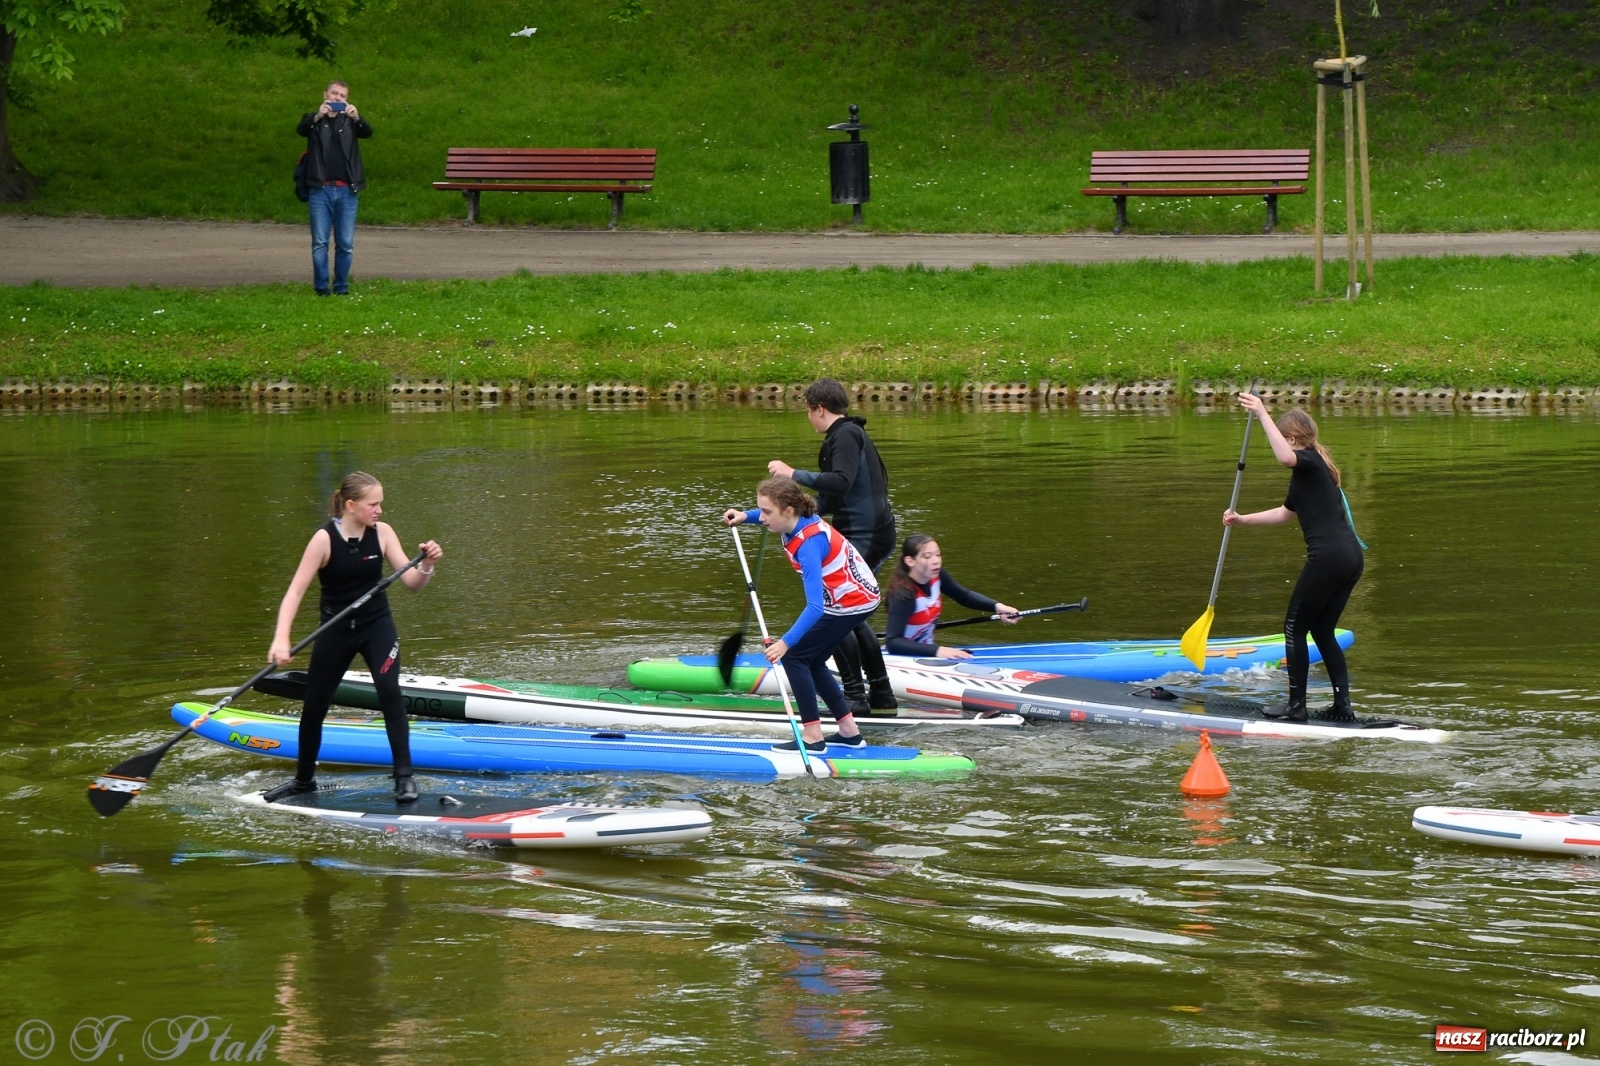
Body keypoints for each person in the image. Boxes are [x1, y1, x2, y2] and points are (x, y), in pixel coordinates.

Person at [264, 472, 442, 802]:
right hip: (335, 632)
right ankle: (304, 782)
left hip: (377, 627)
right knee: (314, 705)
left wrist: (428, 564)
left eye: (380, 504)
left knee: (390, 695)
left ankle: (404, 778)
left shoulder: (383, 534)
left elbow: (413, 584)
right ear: (350, 505)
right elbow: (295, 593)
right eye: (373, 504)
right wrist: (281, 639)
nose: (379, 510)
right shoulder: (323, 540)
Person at [1223, 395, 1364, 722]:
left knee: (1294, 628)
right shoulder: (1313, 470)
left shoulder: (1308, 461)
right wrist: (1242, 519)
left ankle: (1296, 707)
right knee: (1323, 631)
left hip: (1329, 558)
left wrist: (1261, 412)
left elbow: (1286, 457)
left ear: (1291, 438)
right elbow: (1285, 513)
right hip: (1349, 558)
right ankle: (1342, 707)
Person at [767, 378, 897, 715]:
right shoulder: (842, 437)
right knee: (853, 616)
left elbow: (842, 480)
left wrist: (793, 473)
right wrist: (785, 514)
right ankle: (881, 696)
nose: (808, 418)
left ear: (819, 409)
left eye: (807, 411)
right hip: (866, 531)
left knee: (838, 610)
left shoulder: (846, 435)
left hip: (867, 533)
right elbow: (830, 498)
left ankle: (855, 697)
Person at [722, 476, 877, 752]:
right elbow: (765, 515)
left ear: (789, 511)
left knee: (795, 657)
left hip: (849, 602)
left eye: (767, 512)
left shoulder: (808, 545)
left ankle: (813, 737)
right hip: (850, 598)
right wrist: (745, 516)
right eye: (762, 510)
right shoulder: (793, 519)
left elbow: (815, 607)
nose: (763, 518)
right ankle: (850, 733)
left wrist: (785, 643)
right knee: (813, 660)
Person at [883, 534, 1020, 658]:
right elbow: (893, 642)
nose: (936, 561)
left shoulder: (936, 576)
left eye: (938, 554)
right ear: (910, 561)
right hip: (902, 658)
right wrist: (938, 650)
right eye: (927, 556)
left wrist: (997, 606)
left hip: (927, 653)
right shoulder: (903, 594)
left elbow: (963, 596)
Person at [296, 80, 372, 296]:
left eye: (342, 96)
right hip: (320, 189)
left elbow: (368, 132)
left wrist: (358, 118)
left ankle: (341, 286)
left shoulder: (350, 121)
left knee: (345, 243)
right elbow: (301, 129)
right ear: (325, 94)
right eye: (334, 93)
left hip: (347, 190)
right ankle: (321, 287)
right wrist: (318, 116)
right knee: (320, 242)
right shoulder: (313, 120)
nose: (338, 98)